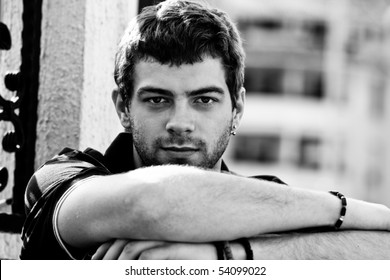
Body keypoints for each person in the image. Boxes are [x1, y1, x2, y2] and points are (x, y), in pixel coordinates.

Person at [20, 0, 390, 260]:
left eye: (204, 100)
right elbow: (156, 203)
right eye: (157, 99)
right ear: (123, 107)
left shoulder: (265, 201)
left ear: (237, 109)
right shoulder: (61, 181)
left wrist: (232, 257)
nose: (180, 122)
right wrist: (342, 208)